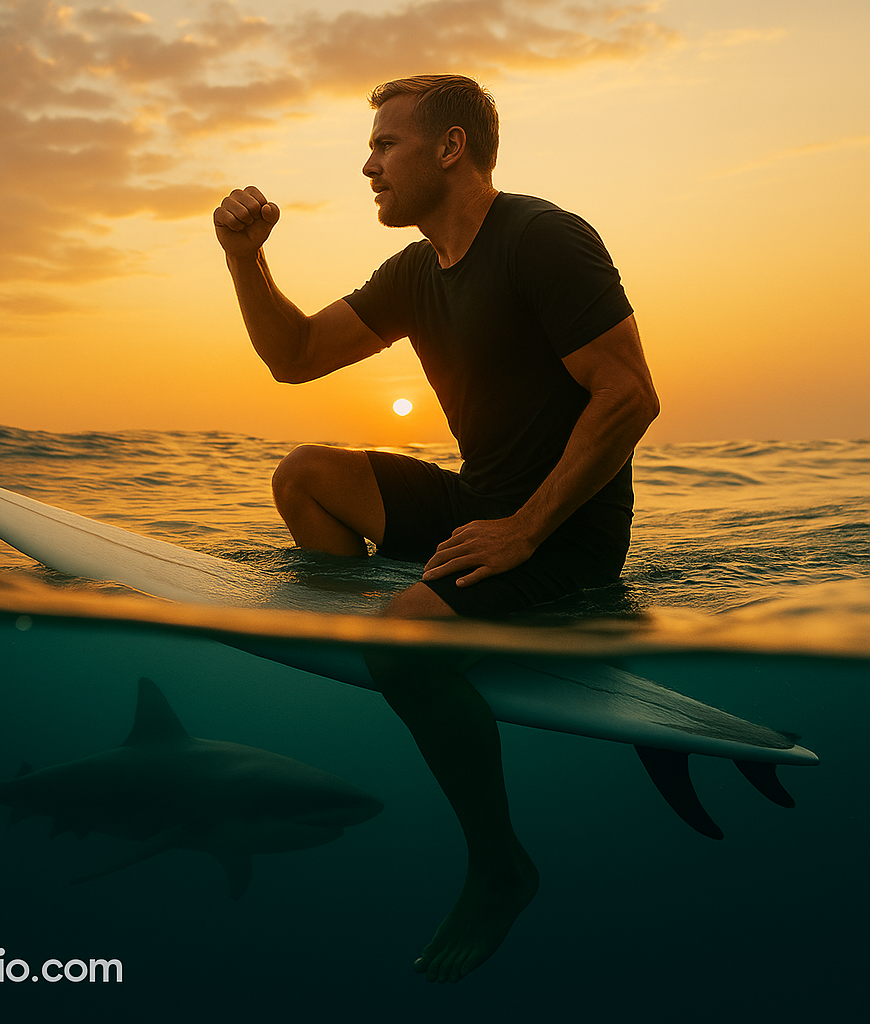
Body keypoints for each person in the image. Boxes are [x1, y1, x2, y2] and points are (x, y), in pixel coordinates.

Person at [213, 75, 659, 983]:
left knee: (402, 640)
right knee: (305, 477)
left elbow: (630, 394)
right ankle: (414, 631)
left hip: (565, 533)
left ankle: (500, 862)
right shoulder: (417, 272)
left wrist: (528, 532)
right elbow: (295, 358)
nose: (367, 164)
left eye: (386, 145)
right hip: (481, 505)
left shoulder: (543, 239)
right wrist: (243, 259)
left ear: (450, 148)